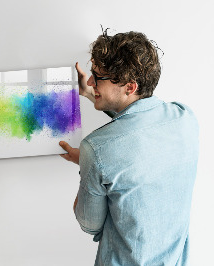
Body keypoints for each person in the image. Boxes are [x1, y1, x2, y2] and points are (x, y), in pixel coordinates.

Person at [59, 30, 199, 265]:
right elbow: (138, 123)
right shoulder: (185, 118)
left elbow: (89, 224)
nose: (91, 81)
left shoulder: (96, 149)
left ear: (130, 87)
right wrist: (92, 94)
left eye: (98, 77)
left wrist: (87, 163)